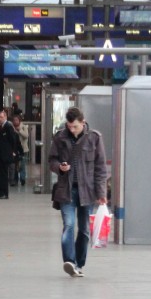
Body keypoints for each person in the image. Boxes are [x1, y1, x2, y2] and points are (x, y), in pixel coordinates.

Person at [49, 106, 108, 278]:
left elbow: (100, 168)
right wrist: (59, 167)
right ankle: (69, 261)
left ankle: (78, 263)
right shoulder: (60, 137)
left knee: (84, 230)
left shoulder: (94, 139)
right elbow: (51, 159)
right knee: (68, 225)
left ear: (83, 123)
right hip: (66, 190)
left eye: (74, 126)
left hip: (87, 192)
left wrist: (101, 193)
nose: (71, 129)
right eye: (69, 126)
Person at [0, 109, 21, 199]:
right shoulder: (0, 127)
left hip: (5, 154)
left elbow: (13, 140)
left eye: (2, 117)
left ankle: (4, 193)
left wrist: (13, 151)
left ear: (5, 117)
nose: (0, 119)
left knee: (3, 174)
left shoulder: (8, 126)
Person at [11, 113, 30, 186]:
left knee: (22, 165)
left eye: (17, 120)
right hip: (15, 149)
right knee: (15, 165)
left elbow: (26, 136)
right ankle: (15, 180)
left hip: (23, 149)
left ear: (19, 120)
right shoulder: (11, 128)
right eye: (14, 120)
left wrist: (19, 131)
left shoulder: (24, 127)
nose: (15, 121)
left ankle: (22, 179)